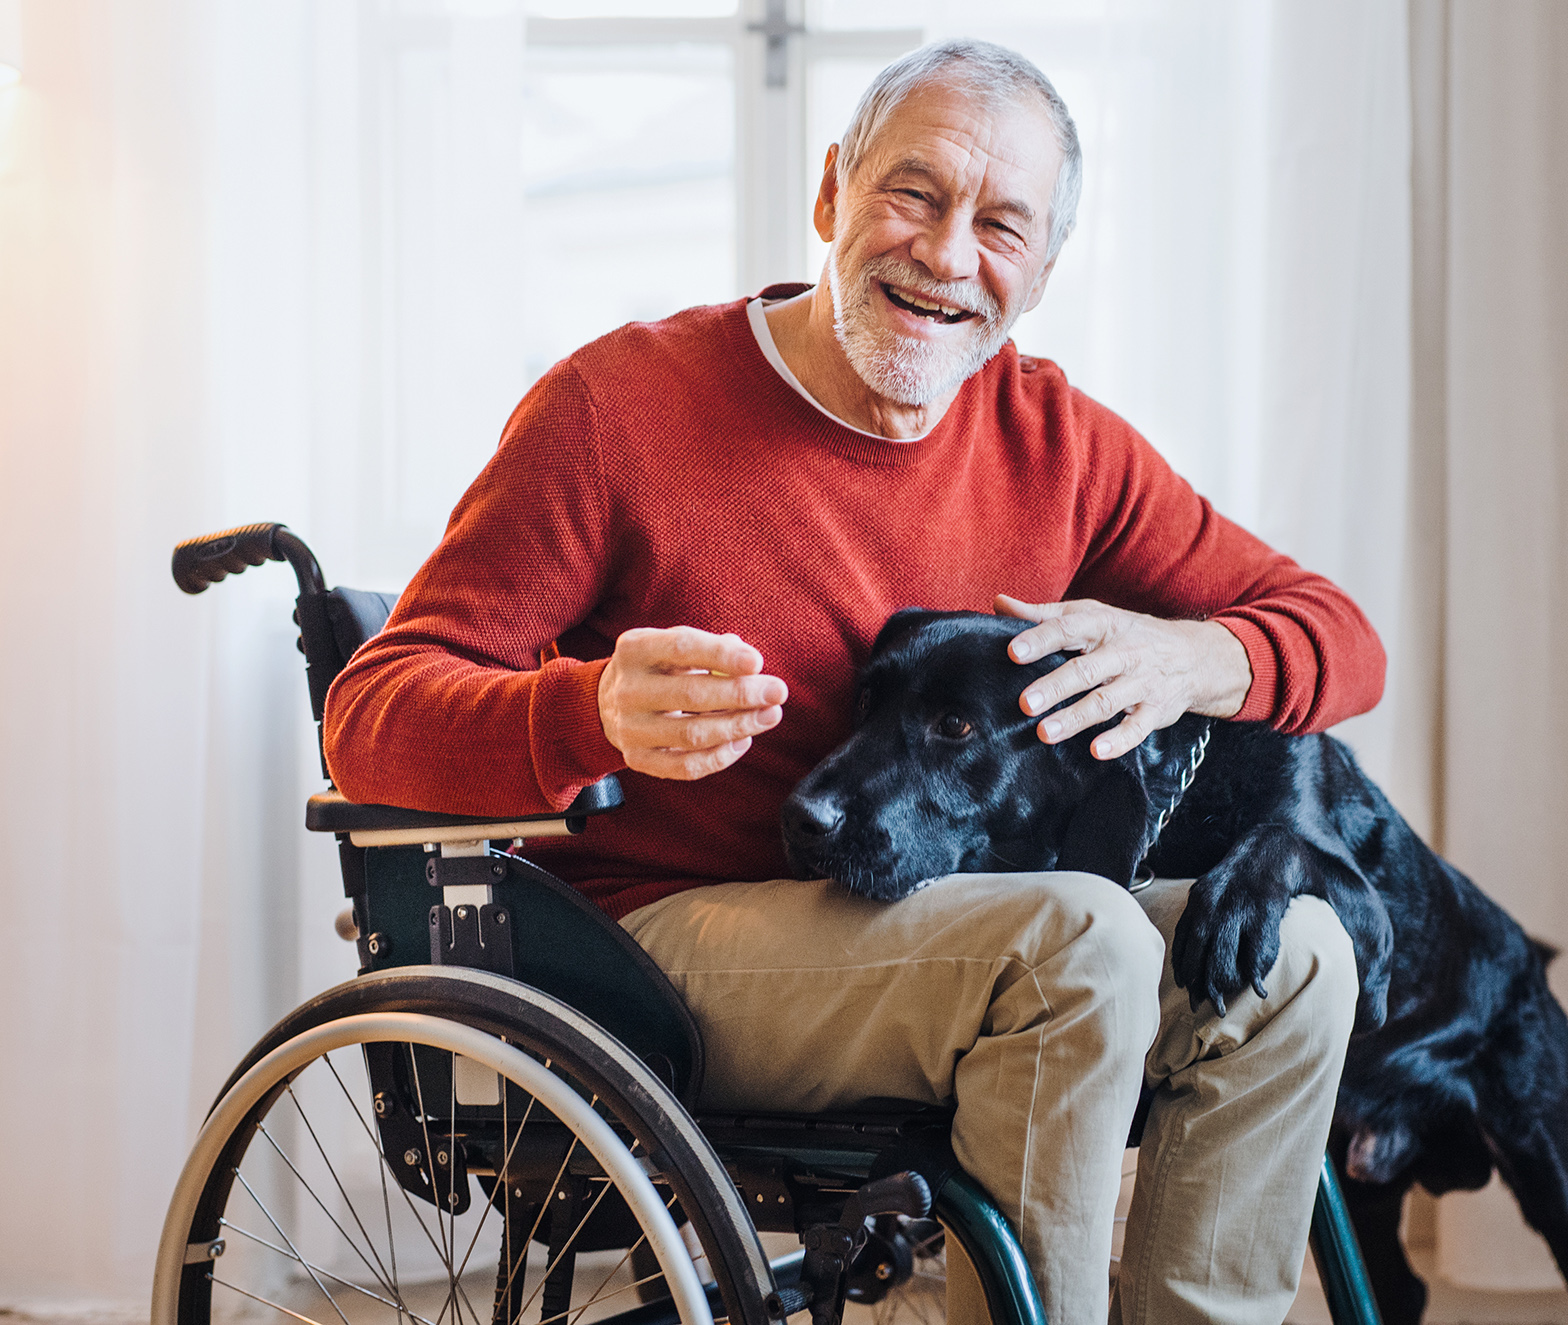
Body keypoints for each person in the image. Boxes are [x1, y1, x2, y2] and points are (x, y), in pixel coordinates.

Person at [326, 37, 1384, 1325]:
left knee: (1303, 954)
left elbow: (1340, 640)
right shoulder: (618, 408)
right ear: (830, 193)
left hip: (948, 931)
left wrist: (1191, 654)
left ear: (1042, 271)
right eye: (913, 194)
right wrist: (585, 709)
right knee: (1085, 935)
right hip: (664, 948)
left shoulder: (1056, 441)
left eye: (1001, 224)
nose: (947, 255)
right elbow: (370, 717)